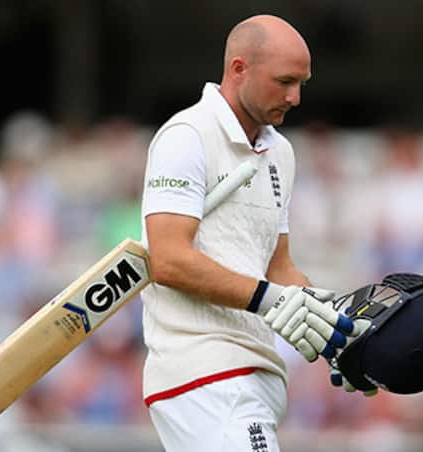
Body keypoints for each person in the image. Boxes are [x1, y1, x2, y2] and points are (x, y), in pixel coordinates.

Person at [140, 14, 356, 452]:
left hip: (254, 373)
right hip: (203, 374)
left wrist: (339, 334)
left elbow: (278, 267)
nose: (295, 97)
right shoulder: (187, 136)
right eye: (284, 81)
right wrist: (268, 299)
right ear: (239, 69)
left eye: (302, 83)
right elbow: (167, 259)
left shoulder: (281, 152)